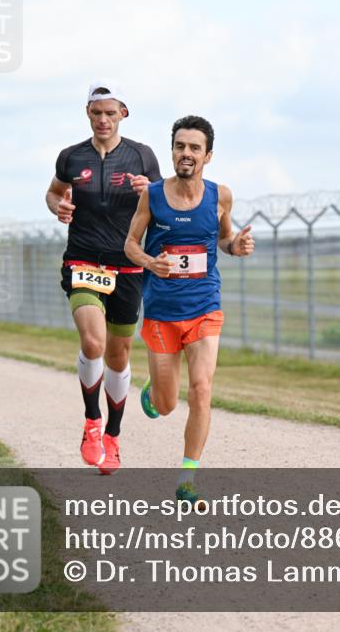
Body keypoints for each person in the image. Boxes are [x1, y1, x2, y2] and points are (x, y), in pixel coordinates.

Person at [124, 115, 254, 503]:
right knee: (166, 406)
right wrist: (150, 262)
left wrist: (237, 247)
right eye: (180, 146)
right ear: (173, 151)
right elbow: (131, 243)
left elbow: (226, 239)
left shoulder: (221, 196)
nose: (186, 153)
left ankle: (187, 478)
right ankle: (153, 393)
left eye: (194, 148)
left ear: (207, 155)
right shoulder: (153, 195)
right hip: (162, 310)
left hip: (204, 306)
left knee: (201, 389)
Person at [45, 81, 162, 474]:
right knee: (92, 342)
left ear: (123, 115)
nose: (103, 120)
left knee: (118, 355)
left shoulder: (142, 156)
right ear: (88, 114)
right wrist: (58, 206)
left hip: (128, 266)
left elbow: (163, 201)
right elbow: (54, 192)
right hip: (84, 262)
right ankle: (91, 421)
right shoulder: (70, 156)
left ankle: (112, 436)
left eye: (111, 113)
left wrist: (151, 190)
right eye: (97, 113)